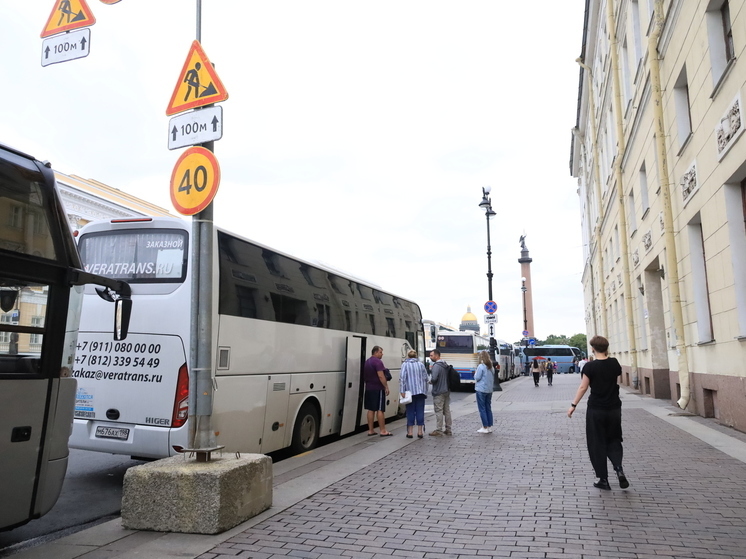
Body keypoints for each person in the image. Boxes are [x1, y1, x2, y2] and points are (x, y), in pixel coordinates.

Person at [567, 335, 629, 491]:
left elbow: (583, 387)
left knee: (597, 443)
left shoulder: (589, 367)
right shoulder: (614, 363)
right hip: (614, 408)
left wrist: (573, 405)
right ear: (607, 348)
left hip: (596, 409)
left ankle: (603, 479)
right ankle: (618, 468)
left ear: (593, 348)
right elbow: (615, 376)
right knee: (614, 439)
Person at [399, 349, 429, 438]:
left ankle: (410, 432)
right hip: (420, 392)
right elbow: (426, 378)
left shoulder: (405, 365)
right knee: (420, 411)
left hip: (409, 392)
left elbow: (402, 379)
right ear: (416, 356)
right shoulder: (421, 365)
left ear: (408, 356)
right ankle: (420, 432)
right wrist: (425, 390)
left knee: (410, 411)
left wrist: (402, 391)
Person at [363, 346, 392, 436]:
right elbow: (381, 376)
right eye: (380, 352)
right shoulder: (378, 362)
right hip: (377, 388)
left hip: (368, 388)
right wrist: (386, 386)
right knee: (380, 409)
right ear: (375, 352)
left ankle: (370, 430)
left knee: (371, 409)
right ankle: (383, 430)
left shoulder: (367, 361)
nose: (382, 354)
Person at [429, 349, 452, 436]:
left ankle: (439, 430)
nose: (430, 357)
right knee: (447, 410)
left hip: (438, 391)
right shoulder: (445, 364)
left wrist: (431, 381)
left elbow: (434, 378)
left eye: (431, 355)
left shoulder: (436, 366)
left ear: (436, 356)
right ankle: (448, 429)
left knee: (439, 410)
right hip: (446, 390)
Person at [474, 351, 494, 433]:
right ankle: (489, 426)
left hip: (481, 389)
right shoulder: (491, 367)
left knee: (482, 408)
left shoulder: (481, 366)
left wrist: (475, 373)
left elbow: (477, 377)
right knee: (488, 408)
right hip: (489, 390)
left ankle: (484, 427)